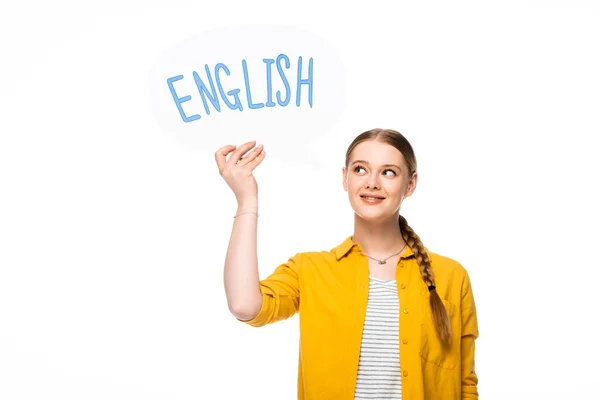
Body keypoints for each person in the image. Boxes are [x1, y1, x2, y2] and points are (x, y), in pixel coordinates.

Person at [215, 128, 479, 400]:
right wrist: (247, 200)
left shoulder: (451, 276)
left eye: (388, 172)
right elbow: (244, 306)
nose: (372, 183)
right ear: (345, 178)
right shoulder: (310, 269)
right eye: (360, 170)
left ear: (410, 184)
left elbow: (465, 385)